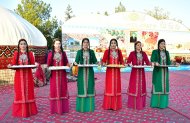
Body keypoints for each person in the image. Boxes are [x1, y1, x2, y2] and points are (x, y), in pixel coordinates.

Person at [9, 38, 38, 117]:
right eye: (21, 44)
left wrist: (36, 64)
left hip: (28, 76)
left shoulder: (30, 54)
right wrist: (10, 66)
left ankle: (29, 111)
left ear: (26, 45)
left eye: (24, 44)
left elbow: (32, 65)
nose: (23, 45)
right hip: (19, 77)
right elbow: (13, 65)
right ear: (19, 45)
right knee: (19, 92)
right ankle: (20, 112)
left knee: (29, 92)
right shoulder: (16, 54)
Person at [74, 38, 98, 112]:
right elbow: (76, 62)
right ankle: (81, 107)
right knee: (82, 88)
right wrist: (75, 63)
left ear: (89, 44)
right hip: (81, 73)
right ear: (82, 44)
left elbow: (95, 61)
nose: (85, 44)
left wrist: (97, 63)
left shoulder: (91, 52)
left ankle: (90, 107)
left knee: (90, 87)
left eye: (87, 42)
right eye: (84, 42)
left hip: (90, 73)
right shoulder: (79, 52)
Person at [47, 38, 70, 114]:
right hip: (54, 76)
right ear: (53, 45)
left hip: (62, 75)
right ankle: (55, 109)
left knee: (62, 90)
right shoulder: (51, 54)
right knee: (54, 91)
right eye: (56, 43)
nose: (58, 45)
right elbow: (48, 64)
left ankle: (63, 108)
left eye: (59, 43)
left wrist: (68, 65)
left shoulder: (63, 53)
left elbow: (66, 62)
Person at [126, 41, 151, 110]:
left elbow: (147, 62)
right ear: (135, 46)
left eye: (140, 45)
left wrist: (152, 64)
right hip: (134, 73)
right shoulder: (132, 53)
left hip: (141, 73)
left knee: (141, 87)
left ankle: (140, 104)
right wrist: (129, 64)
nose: (139, 46)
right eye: (137, 45)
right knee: (134, 86)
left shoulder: (144, 54)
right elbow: (128, 62)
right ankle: (132, 104)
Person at [102, 38, 124, 110]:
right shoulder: (107, 51)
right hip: (109, 72)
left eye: (115, 43)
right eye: (112, 43)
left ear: (116, 44)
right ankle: (109, 105)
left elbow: (122, 61)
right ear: (110, 44)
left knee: (116, 87)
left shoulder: (119, 51)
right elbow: (103, 61)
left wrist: (123, 64)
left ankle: (115, 105)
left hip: (117, 72)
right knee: (109, 87)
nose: (113, 44)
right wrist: (104, 63)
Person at [150, 39, 171, 108]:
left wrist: (175, 64)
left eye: (164, 44)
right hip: (158, 72)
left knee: (165, 87)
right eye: (161, 43)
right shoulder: (155, 52)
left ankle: (163, 104)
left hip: (165, 72)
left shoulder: (167, 52)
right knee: (157, 86)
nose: (163, 45)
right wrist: (155, 62)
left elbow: (169, 62)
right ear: (158, 44)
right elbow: (152, 59)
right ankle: (155, 104)